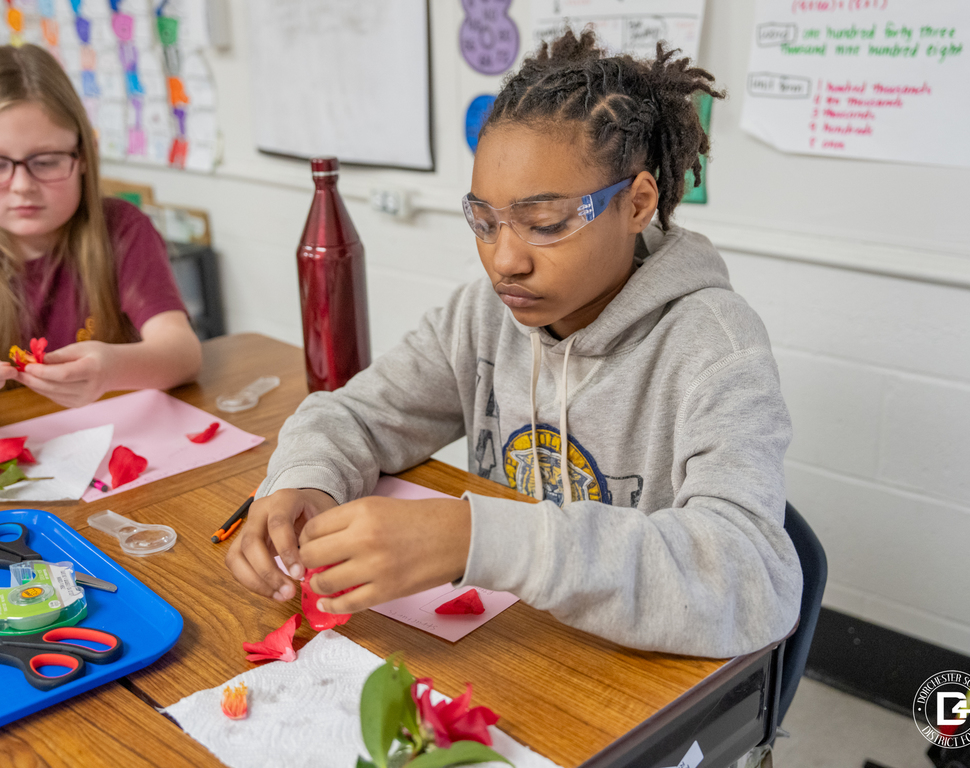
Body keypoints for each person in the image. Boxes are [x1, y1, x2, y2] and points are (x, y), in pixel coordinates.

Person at [228, 30, 802, 658]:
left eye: (546, 224)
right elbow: (354, 414)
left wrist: (477, 537)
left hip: (638, 674)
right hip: (513, 652)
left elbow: (754, 578)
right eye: (485, 221)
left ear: (638, 203)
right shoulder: (484, 314)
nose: (504, 260)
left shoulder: (714, 347)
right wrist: (303, 482)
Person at [0, 44, 200, 408]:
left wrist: (112, 369)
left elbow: (183, 353)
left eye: (45, 162)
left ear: (85, 156)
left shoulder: (121, 230)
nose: (22, 185)